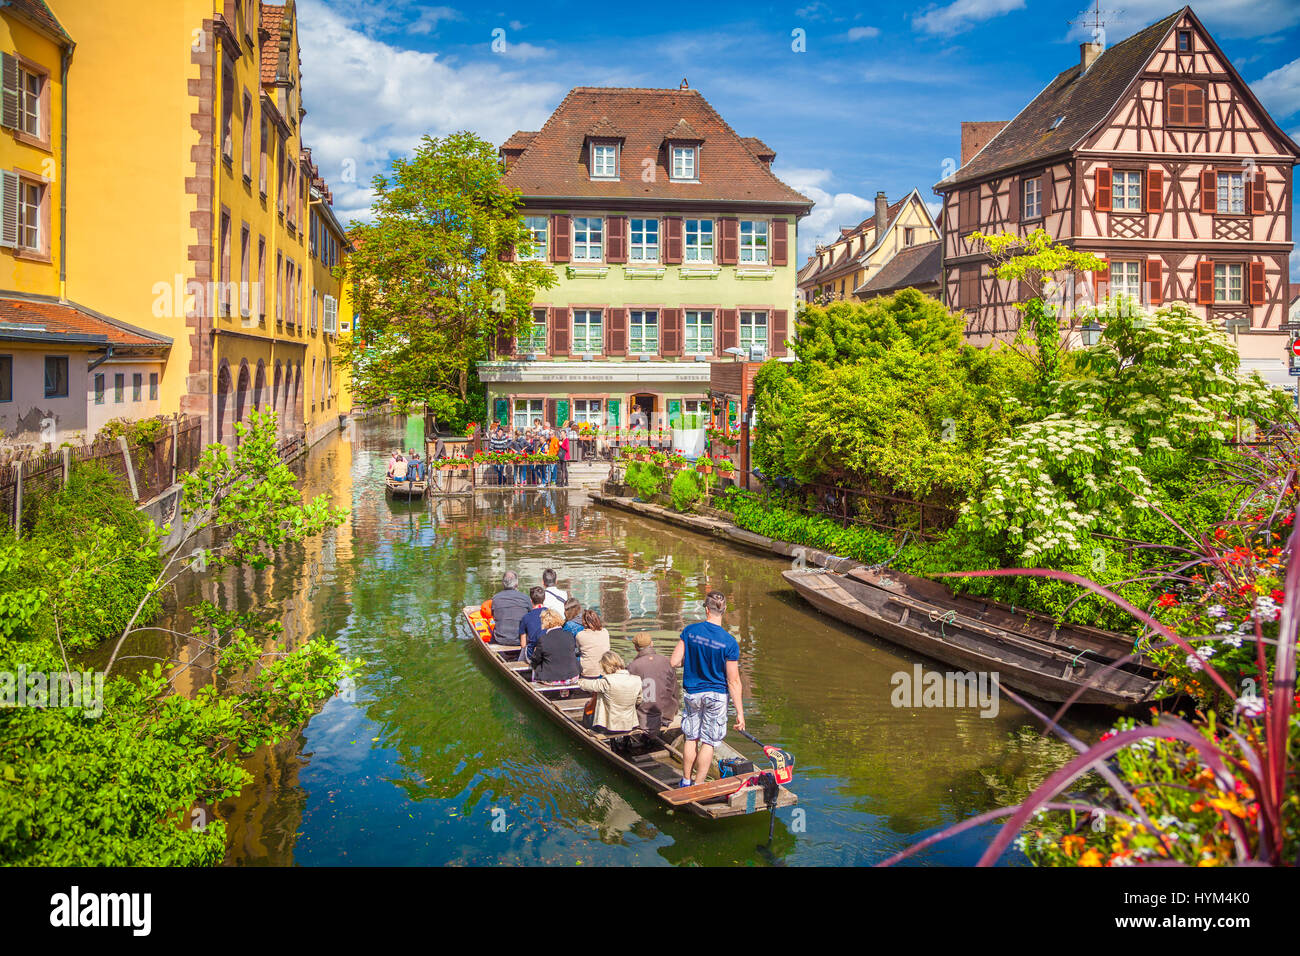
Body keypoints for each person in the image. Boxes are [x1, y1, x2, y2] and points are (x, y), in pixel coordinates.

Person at [669, 590, 743, 788]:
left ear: (706, 609)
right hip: (717, 696)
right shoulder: (730, 642)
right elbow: (733, 681)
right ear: (724, 610)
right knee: (709, 741)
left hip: (693, 693)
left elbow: (674, 661)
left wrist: (692, 659)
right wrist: (740, 713)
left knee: (691, 737)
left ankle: (685, 781)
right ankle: (699, 785)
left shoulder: (690, 631)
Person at [577, 651, 643, 732]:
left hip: (608, 727)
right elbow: (639, 700)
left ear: (605, 666)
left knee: (588, 706)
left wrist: (578, 681)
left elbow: (586, 685)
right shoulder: (637, 680)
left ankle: (588, 729)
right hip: (630, 725)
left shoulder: (607, 681)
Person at [627, 632, 679, 734]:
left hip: (643, 718)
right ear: (652, 644)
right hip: (667, 715)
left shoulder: (632, 666)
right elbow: (675, 690)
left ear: (636, 648)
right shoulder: (666, 661)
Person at [530, 609, 578, 683]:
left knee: (536, 665)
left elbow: (535, 660)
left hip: (553, 678)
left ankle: (535, 684)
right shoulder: (569, 635)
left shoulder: (543, 639)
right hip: (572, 676)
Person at [488, 572, 531, 647]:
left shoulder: (495, 599)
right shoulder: (526, 598)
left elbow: (493, 616)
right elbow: (531, 616)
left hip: (500, 640)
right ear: (516, 584)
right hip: (521, 640)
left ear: (503, 584)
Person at [575, 609, 611, 679]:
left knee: (574, 657)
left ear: (584, 622)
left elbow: (579, 650)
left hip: (588, 673)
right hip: (605, 670)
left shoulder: (580, 635)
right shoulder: (605, 631)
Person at [518, 586, 548, 661]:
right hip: (549, 652)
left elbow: (523, 644)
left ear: (531, 601)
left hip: (534, 655)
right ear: (544, 599)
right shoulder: (551, 614)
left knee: (524, 650)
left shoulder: (526, 617)